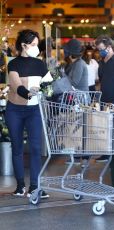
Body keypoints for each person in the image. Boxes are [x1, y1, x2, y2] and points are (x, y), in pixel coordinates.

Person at [5, 29, 50, 198]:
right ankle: (20, 186)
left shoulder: (39, 64)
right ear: (23, 45)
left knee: (36, 148)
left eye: (37, 45)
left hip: (34, 110)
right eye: (33, 45)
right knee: (17, 147)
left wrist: (49, 88)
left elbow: (49, 84)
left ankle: (34, 186)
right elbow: (16, 85)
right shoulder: (13, 64)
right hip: (15, 109)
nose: (36, 48)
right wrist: (27, 92)